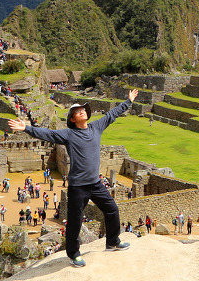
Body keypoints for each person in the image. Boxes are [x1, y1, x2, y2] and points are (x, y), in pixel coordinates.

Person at [8, 89, 138, 268]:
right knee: (75, 221)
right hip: (78, 187)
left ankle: (113, 241)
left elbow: (111, 115)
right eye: (78, 111)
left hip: (95, 183)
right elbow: (48, 134)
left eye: (83, 109)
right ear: (72, 119)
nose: (82, 111)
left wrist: (128, 101)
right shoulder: (69, 135)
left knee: (112, 210)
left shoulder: (96, 127)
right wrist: (26, 128)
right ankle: (74, 254)